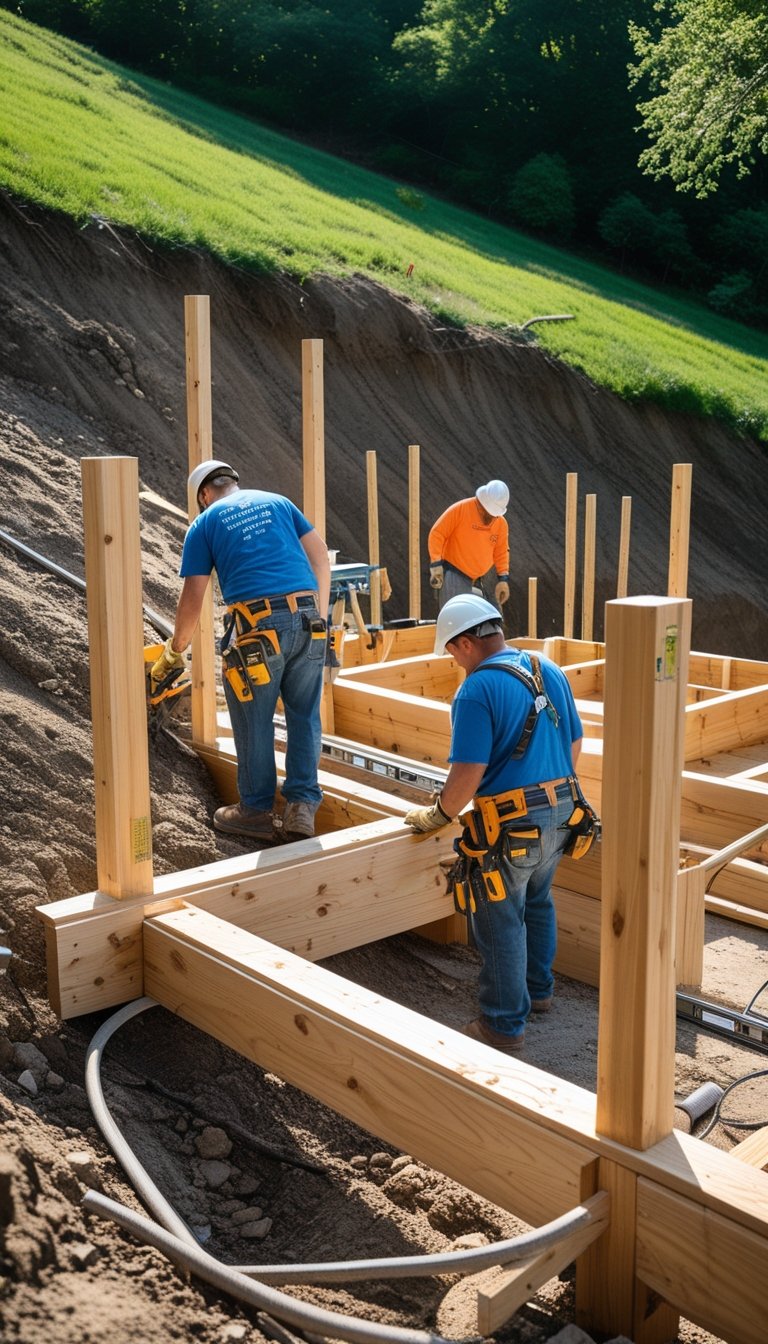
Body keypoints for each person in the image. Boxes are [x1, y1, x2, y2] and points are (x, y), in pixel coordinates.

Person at [404, 594, 591, 1054]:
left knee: (498, 919)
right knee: (539, 900)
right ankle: (538, 992)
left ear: (466, 642)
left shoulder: (475, 690)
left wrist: (441, 813)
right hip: (563, 814)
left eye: (451, 651)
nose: (452, 661)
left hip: (511, 826)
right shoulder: (545, 667)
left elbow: (467, 773)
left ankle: (503, 1025)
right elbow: (575, 744)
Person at [151, 459, 331, 845]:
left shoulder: (205, 522)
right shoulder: (279, 502)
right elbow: (319, 556)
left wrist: (175, 648)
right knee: (304, 715)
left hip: (259, 631)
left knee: (254, 718)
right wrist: (323, 614)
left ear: (204, 494)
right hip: (310, 622)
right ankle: (301, 807)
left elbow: (193, 596)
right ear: (234, 481)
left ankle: (254, 810)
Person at [427, 480, 511, 612]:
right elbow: (437, 534)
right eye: (488, 513)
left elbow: (501, 551)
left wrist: (503, 579)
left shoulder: (500, 523)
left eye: (493, 515)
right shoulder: (460, 510)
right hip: (455, 573)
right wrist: (436, 564)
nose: (490, 518)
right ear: (481, 503)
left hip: (482, 578)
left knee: (492, 618)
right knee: (456, 618)